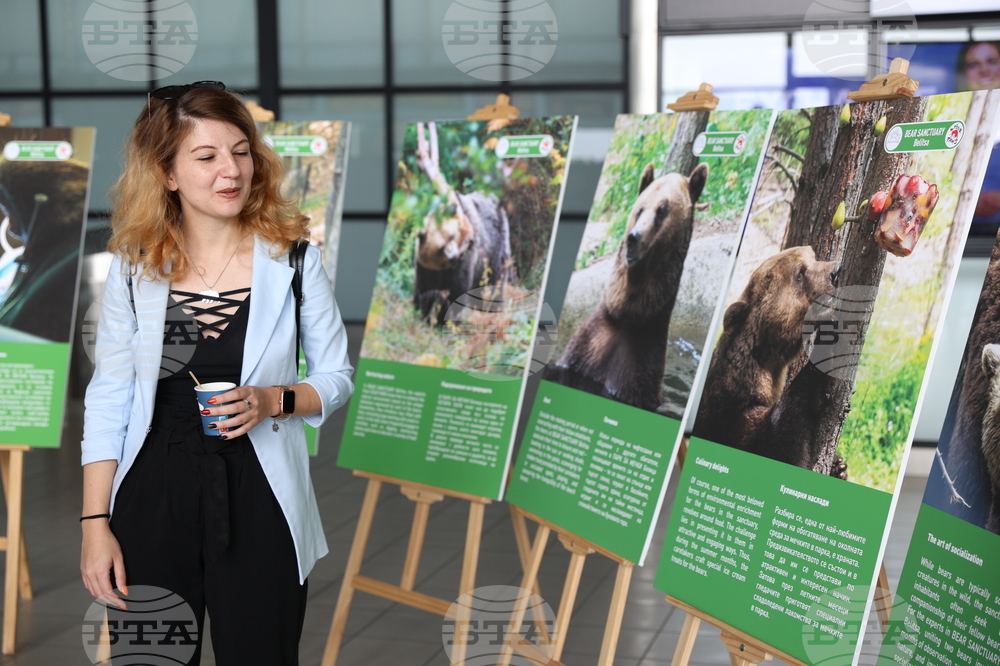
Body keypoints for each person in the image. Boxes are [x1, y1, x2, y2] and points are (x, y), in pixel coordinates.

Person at [79, 82, 353, 665]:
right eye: (206, 157)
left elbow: (337, 376)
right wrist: (94, 523)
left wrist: (273, 399)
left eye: (241, 151)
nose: (230, 170)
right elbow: (109, 399)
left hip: (261, 492)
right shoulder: (135, 268)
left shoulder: (295, 258)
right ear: (168, 174)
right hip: (152, 489)